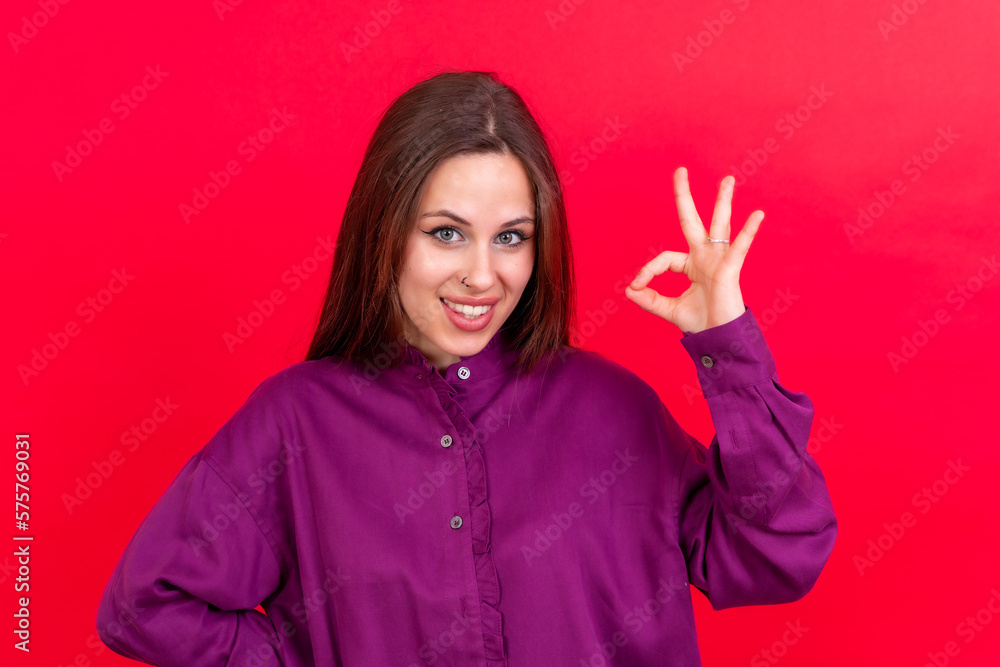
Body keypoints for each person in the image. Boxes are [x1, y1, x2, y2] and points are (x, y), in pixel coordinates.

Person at [97, 70, 836, 666]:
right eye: (447, 233)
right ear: (384, 231)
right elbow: (147, 604)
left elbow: (778, 554)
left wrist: (726, 344)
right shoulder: (297, 422)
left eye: (511, 237)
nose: (482, 275)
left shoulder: (614, 409)